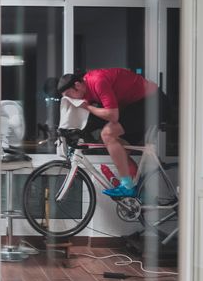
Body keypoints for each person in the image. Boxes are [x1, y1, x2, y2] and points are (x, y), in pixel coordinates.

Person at [57, 68, 166, 197]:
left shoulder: (97, 81)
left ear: (77, 85)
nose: (70, 99)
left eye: (69, 95)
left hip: (152, 101)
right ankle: (140, 190)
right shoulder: (84, 90)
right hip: (135, 104)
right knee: (118, 148)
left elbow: (112, 115)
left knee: (107, 134)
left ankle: (127, 186)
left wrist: (88, 107)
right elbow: (91, 119)